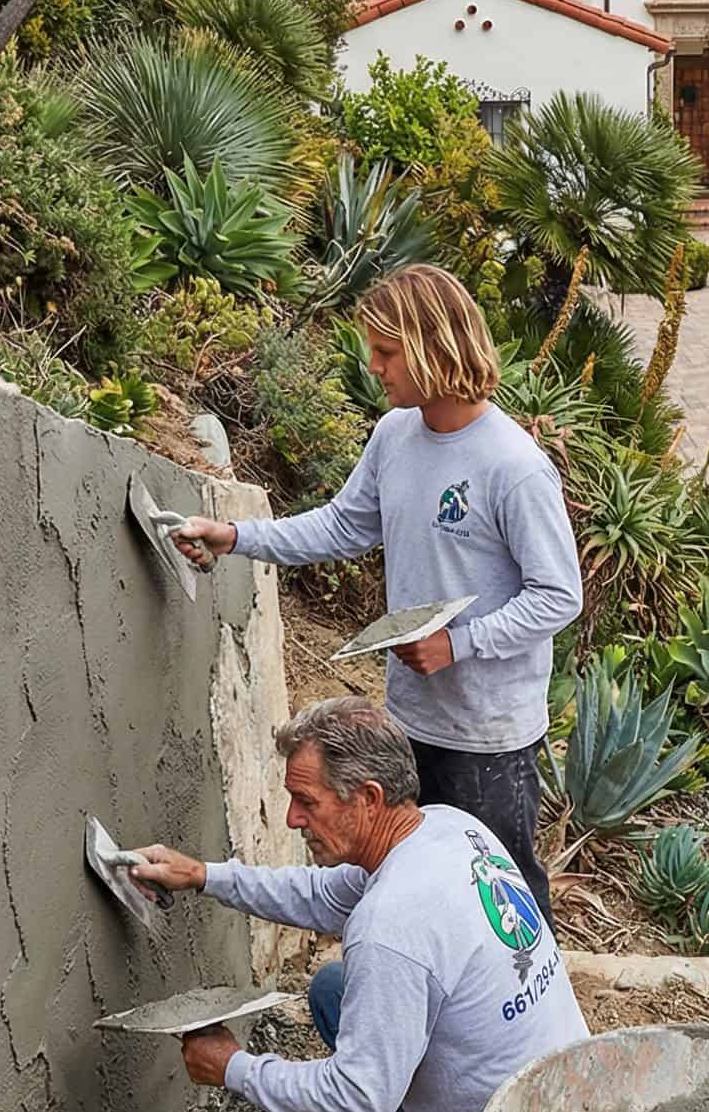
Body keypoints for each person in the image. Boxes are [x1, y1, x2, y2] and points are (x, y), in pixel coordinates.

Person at [130, 696, 588, 1112]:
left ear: (368, 798)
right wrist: (206, 876)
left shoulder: (392, 925)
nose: (293, 818)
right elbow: (323, 895)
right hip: (560, 1100)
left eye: (308, 802)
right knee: (332, 990)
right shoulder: (448, 827)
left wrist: (232, 1068)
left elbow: (359, 1094)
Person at [172, 263, 581, 918]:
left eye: (387, 352)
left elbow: (559, 595)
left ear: (432, 347)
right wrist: (236, 536)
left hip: (488, 739)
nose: (375, 367)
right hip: (407, 725)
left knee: (500, 906)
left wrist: (459, 643)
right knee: (410, 893)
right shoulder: (395, 436)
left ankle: (531, 1020)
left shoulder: (514, 467)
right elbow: (342, 525)